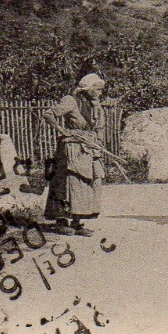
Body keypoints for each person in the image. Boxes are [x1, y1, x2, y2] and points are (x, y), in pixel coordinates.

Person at [43, 73, 108, 236]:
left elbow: (99, 127)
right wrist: (62, 131)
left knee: (89, 182)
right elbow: (49, 114)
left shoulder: (95, 105)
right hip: (72, 148)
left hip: (90, 147)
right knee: (70, 182)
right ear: (89, 88)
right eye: (98, 89)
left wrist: (98, 141)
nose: (100, 93)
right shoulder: (70, 100)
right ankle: (61, 221)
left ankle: (78, 222)